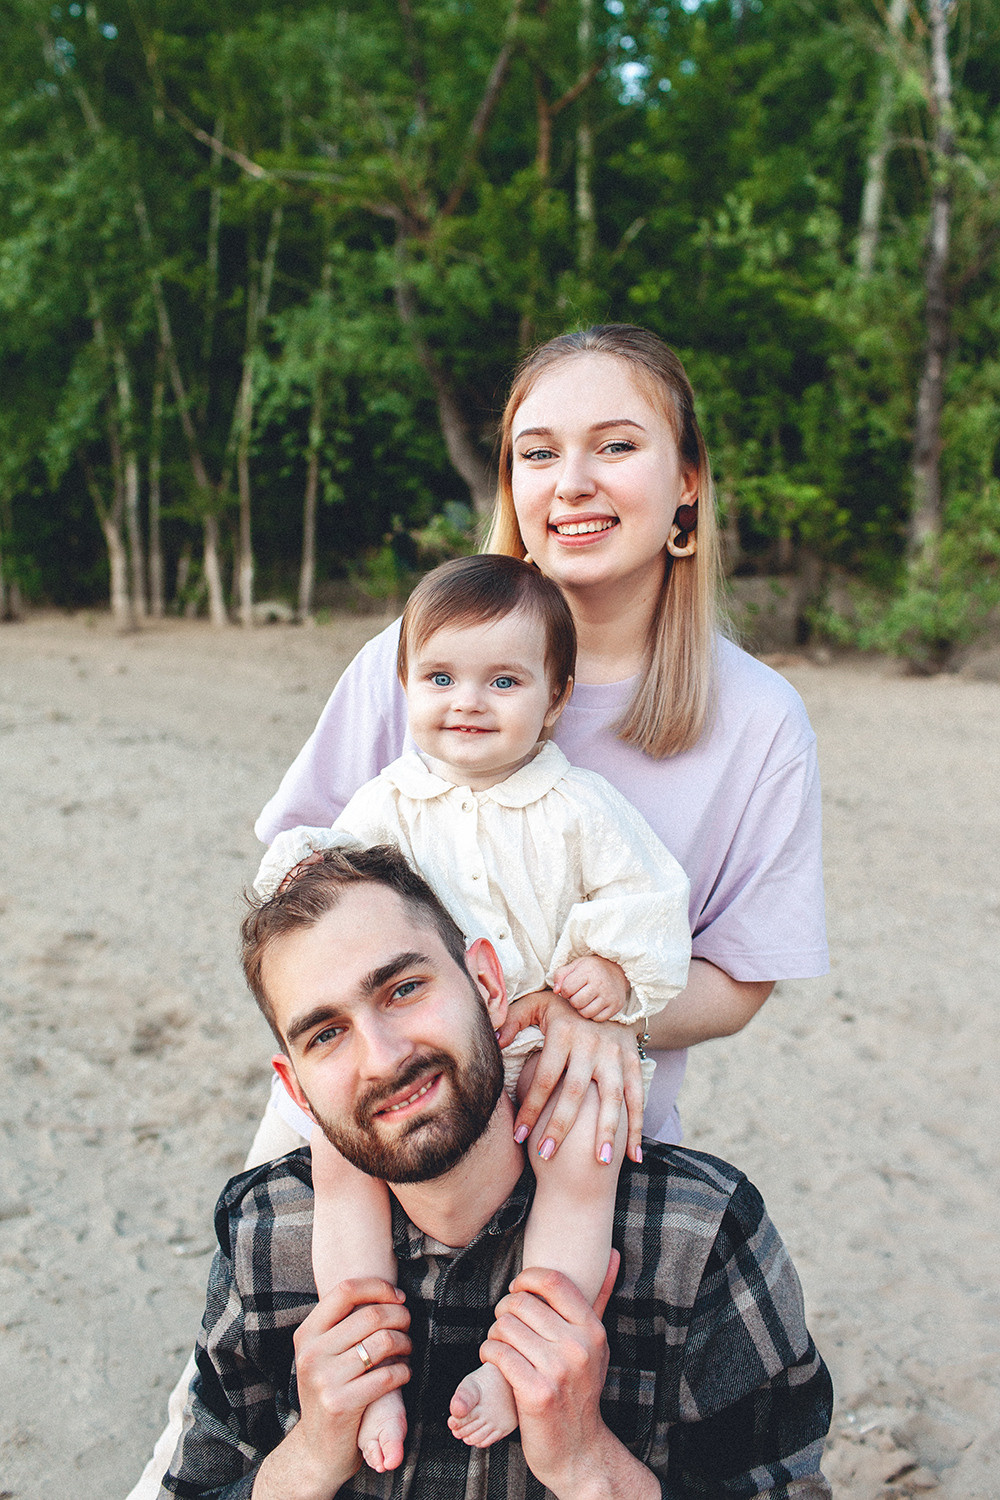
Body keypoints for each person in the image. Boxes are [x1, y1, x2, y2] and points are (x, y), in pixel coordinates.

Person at [130, 324, 829, 1496]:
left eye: (616, 445)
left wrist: (589, 1016)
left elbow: (740, 977)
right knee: (272, 1404)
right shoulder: (420, 657)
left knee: (545, 1419)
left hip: (565, 1123)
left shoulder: (755, 721)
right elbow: (295, 890)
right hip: (370, 1106)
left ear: (687, 480)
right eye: (536, 452)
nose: (573, 483)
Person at [159, 845, 833, 1499]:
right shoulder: (265, 1235)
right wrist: (306, 1462)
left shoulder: (696, 1235)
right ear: (298, 1091)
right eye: (326, 1034)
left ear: (487, 985)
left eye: (405, 989)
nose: (383, 1056)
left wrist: (589, 1468)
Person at [253, 554, 692, 1469]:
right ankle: (366, 1370)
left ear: (556, 697)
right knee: (341, 1175)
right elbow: (327, 876)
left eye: (505, 681)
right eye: (441, 678)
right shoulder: (388, 801)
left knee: (582, 1171)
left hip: (539, 1053)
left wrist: (609, 967)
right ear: (404, 685)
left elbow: (650, 895)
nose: (469, 701)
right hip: (423, 1057)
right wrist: (299, 872)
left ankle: (519, 1361)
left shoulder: (580, 807)